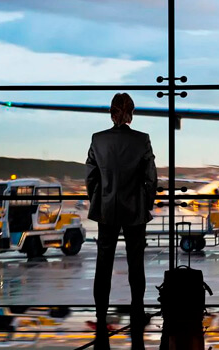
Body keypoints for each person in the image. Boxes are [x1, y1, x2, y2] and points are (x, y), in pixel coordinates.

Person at [86, 93, 157, 350]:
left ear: (111, 112)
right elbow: (151, 178)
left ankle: (101, 315)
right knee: (135, 263)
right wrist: (146, 203)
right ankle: (137, 310)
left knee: (103, 264)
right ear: (131, 113)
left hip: (105, 209)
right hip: (134, 210)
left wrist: (98, 198)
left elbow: (91, 177)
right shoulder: (142, 140)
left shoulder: (98, 139)